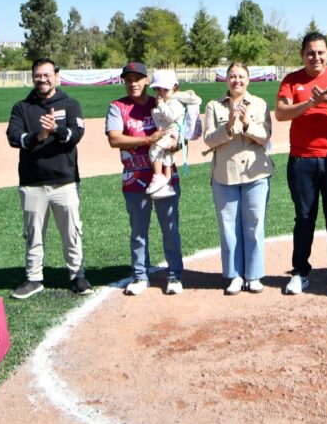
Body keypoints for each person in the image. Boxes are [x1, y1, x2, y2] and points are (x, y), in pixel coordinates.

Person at [275, 33, 327, 294]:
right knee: (304, 217)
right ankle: (300, 272)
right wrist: (310, 102)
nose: (316, 57)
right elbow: (280, 113)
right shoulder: (292, 80)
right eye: (311, 53)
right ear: (302, 54)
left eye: (321, 52)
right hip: (302, 161)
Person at [6, 58, 88, 299]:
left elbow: (76, 134)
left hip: (65, 180)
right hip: (32, 183)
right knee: (33, 234)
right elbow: (14, 137)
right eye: (37, 75)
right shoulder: (22, 107)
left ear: (56, 76)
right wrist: (39, 135)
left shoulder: (70, 104)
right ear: (33, 77)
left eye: (46, 75)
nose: (42, 79)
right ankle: (34, 278)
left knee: (71, 232)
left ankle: (77, 275)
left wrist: (56, 130)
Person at [105, 62, 184, 295]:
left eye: (137, 79)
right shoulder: (118, 107)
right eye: (128, 79)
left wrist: (177, 142)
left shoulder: (161, 101)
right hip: (135, 177)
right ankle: (140, 275)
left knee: (170, 229)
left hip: (166, 178)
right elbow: (115, 139)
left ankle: (175, 275)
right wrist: (148, 140)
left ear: (147, 80)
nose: (133, 84)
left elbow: (179, 129)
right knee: (138, 231)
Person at [203, 63, 273, 294]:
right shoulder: (214, 106)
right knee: (228, 228)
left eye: (241, 76)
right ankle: (234, 275)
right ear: (226, 80)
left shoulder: (260, 104)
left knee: (254, 226)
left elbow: (265, 136)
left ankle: (253, 276)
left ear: (249, 79)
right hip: (225, 175)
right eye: (232, 76)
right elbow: (209, 139)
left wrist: (246, 124)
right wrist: (230, 126)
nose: (237, 81)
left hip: (256, 174)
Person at [146, 69, 201, 198]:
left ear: (174, 87)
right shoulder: (167, 101)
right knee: (167, 158)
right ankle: (167, 185)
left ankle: (158, 176)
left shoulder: (175, 102)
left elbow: (170, 117)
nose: (161, 93)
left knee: (154, 150)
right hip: (169, 133)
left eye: (165, 89)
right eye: (158, 89)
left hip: (172, 133)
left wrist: (160, 105)